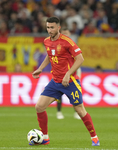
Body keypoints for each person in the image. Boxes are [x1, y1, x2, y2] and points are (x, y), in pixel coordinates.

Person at [31, 16, 100, 146]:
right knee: (39, 107)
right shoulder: (46, 41)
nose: (49, 30)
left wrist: (68, 74)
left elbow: (80, 59)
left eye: (52, 27)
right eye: (47, 27)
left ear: (58, 27)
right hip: (55, 81)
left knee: (80, 110)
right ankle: (45, 137)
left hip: (70, 82)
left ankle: (94, 137)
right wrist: (40, 68)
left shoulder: (67, 41)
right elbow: (49, 55)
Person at [56, 27, 81, 120]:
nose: (65, 35)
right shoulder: (58, 46)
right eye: (64, 33)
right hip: (61, 72)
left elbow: (79, 59)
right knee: (59, 92)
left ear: (70, 34)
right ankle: (59, 112)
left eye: (67, 33)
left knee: (75, 92)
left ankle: (77, 112)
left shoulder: (73, 44)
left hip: (74, 70)